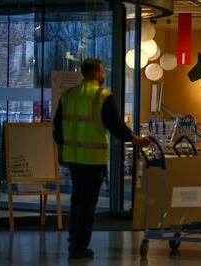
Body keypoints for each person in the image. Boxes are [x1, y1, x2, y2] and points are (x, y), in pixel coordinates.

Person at [53, 58, 150, 259]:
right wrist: (137, 139)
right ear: (97, 73)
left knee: (77, 200)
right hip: (93, 159)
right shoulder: (102, 96)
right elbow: (116, 126)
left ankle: (74, 241)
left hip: (73, 158)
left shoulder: (69, 95)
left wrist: (61, 152)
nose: (104, 75)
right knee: (87, 204)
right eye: (103, 71)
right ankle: (79, 247)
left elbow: (58, 127)